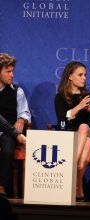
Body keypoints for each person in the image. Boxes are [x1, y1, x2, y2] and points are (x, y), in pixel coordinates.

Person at [54, 61, 90, 199]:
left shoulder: (89, 96)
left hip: (86, 131)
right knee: (88, 143)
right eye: (80, 75)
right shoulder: (60, 97)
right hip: (70, 135)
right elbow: (62, 118)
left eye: (85, 75)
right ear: (70, 76)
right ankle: (78, 187)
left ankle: (70, 165)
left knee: (84, 127)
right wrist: (79, 107)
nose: (84, 77)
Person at [0, 53, 31, 196]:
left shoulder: (17, 92)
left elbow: (25, 113)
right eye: (8, 71)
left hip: (6, 134)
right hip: (12, 132)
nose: (12, 75)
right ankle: (16, 135)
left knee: (7, 147)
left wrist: (22, 119)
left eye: (12, 71)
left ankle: (1, 186)